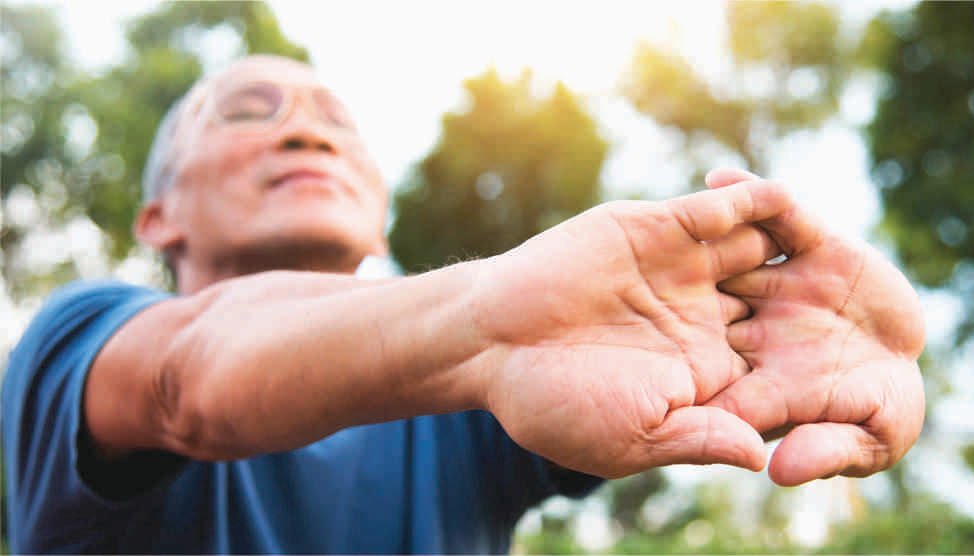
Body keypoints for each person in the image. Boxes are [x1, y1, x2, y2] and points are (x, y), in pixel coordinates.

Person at [2, 55, 926, 553]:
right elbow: (184, 379)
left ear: (378, 217)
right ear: (157, 216)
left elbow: (600, 368)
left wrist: (771, 341)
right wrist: (485, 313)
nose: (305, 126)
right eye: (250, 108)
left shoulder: (470, 411)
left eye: (337, 120)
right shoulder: (74, 342)